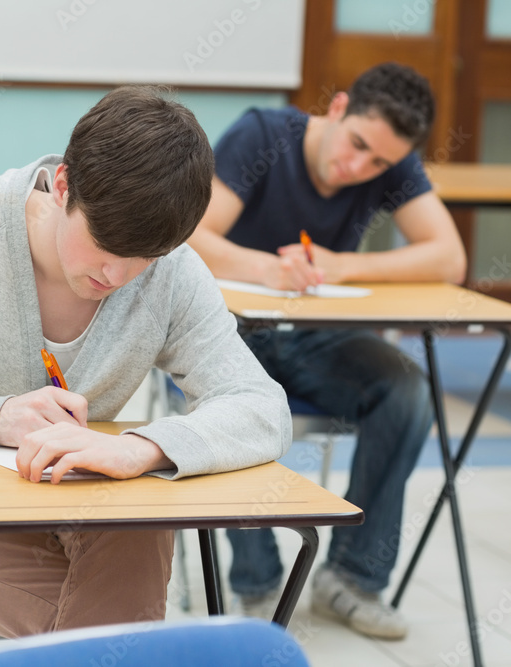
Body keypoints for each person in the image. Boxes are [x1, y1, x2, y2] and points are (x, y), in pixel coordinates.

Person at [0, 86, 292, 638]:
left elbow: (260, 407)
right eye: (104, 246)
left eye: (144, 259)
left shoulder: (172, 271)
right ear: (62, 185)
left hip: (68, 513)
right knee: (122, 636)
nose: (117, 276)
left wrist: (138, 448)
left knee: (142, 520)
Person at [186, 62, 467, 640]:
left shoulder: (391, 156)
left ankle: (353, 579)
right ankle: (257, 584)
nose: (359, 167)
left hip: (315, 334)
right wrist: (268, 267)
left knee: (406, 389)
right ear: (337, 108)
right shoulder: (263, 135)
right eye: (358, 145)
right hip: (233, 331)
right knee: (234, 393)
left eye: (379, 164)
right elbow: (192, 236)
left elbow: (449, 257)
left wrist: (343, 266)